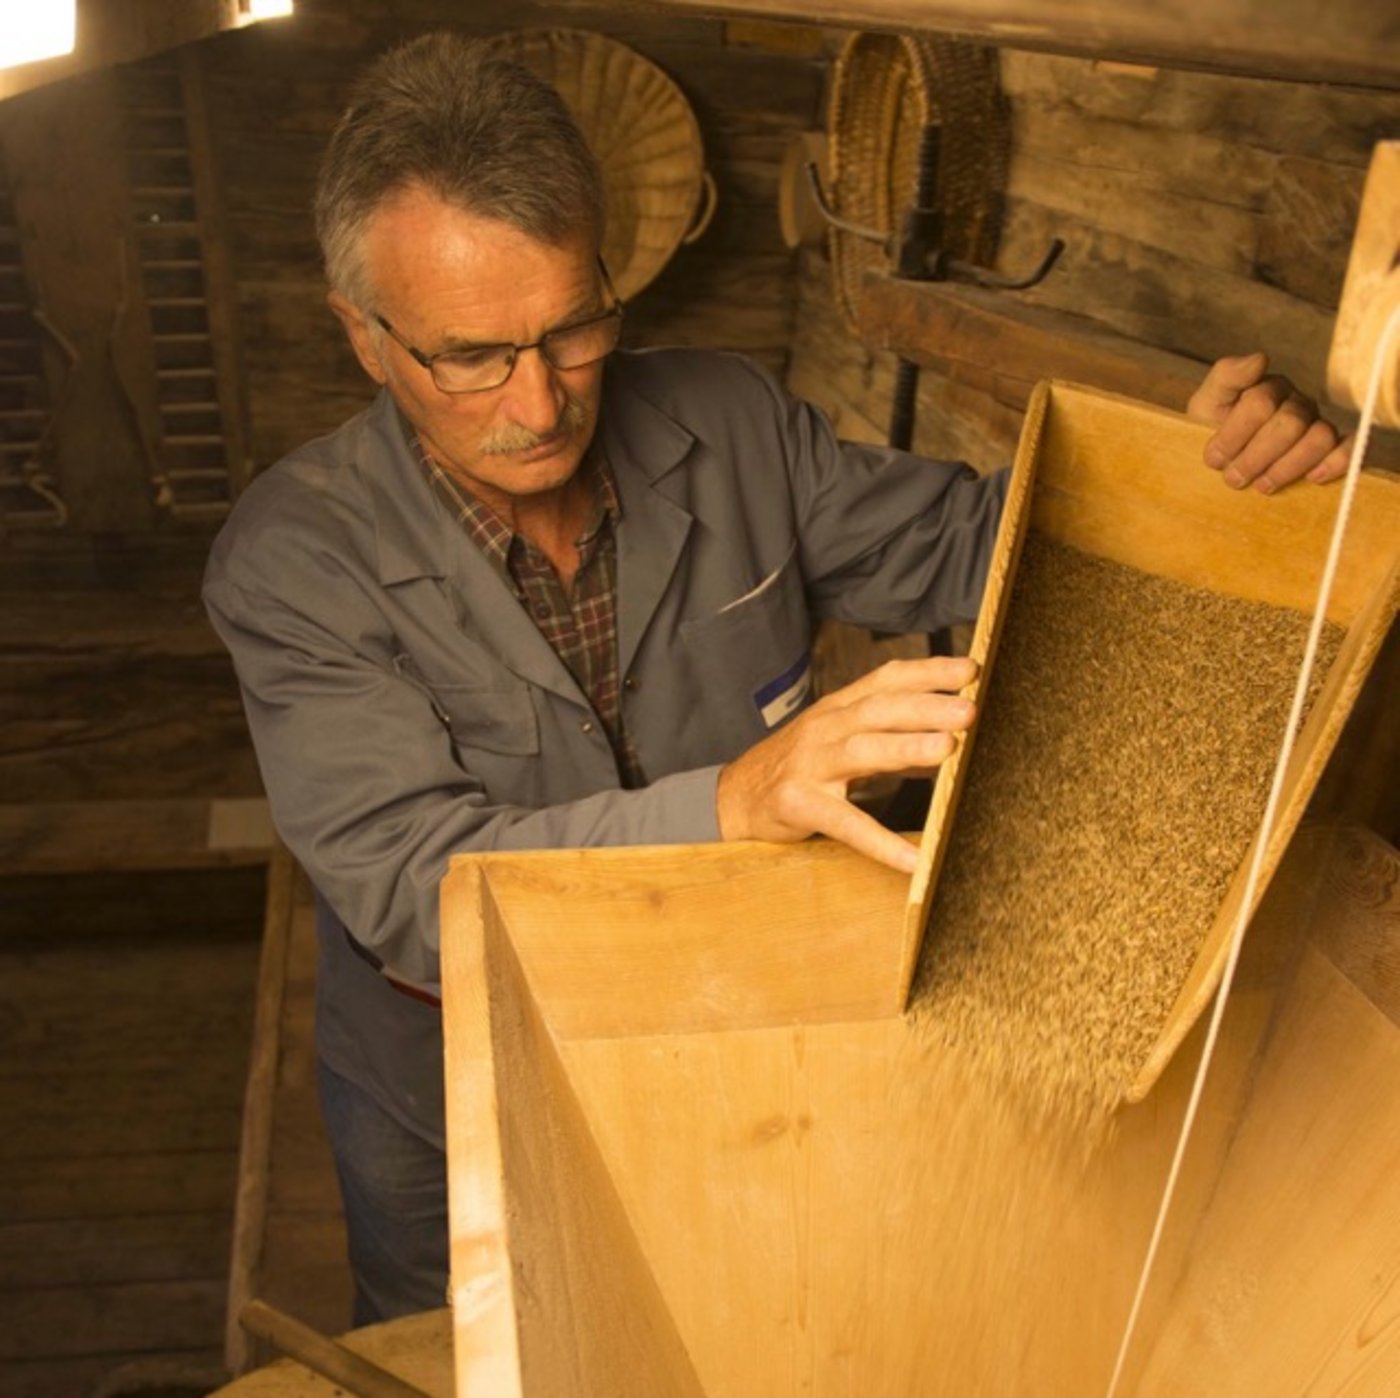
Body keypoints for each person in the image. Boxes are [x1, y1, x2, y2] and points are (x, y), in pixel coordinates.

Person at [203, 32, 1353, 1325]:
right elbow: (414, 881)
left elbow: (984, 546)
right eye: (472, 356)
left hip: (736, 998)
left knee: (719, 1292)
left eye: (576, 328)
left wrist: (1207, 480)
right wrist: (732, 804)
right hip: (447, 1057)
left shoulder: (730, 421)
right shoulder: (294, 561)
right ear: (364, 335)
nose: (541, 401)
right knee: (461, 1336)